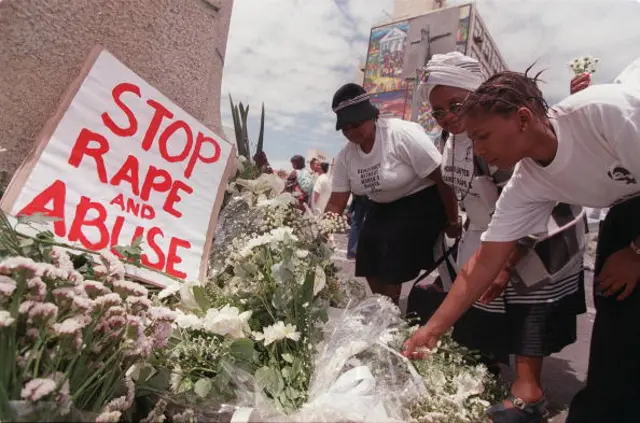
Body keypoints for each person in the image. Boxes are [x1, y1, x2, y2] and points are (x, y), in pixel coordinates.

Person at [404, 63, 640, 423]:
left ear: (524, 119)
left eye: (483, 136)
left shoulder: (604, 113)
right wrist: (431, 331)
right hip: (626, 210)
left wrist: (636, 251)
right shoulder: (528, 182)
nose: (479, 151)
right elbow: (484, 261)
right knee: (616, 346)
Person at [325, 83, 460, 304]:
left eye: (356, 124)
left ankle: (390, 309)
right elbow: (335, 203)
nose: (351, 132)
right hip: (383, 205)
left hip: (423, 200)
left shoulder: (401, 134)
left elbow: (443, 180)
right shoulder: (346, 157)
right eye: (345, 128)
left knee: (392, 244)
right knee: (366, 248)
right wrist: (320, 233)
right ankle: (383, 305)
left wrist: (453, 221)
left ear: (371, 117)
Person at [346, 194, 370, 260]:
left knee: (356, 222)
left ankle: (352, 252)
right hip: (373, 192)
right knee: (372, 222)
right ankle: (356, 249)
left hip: (360, 192)